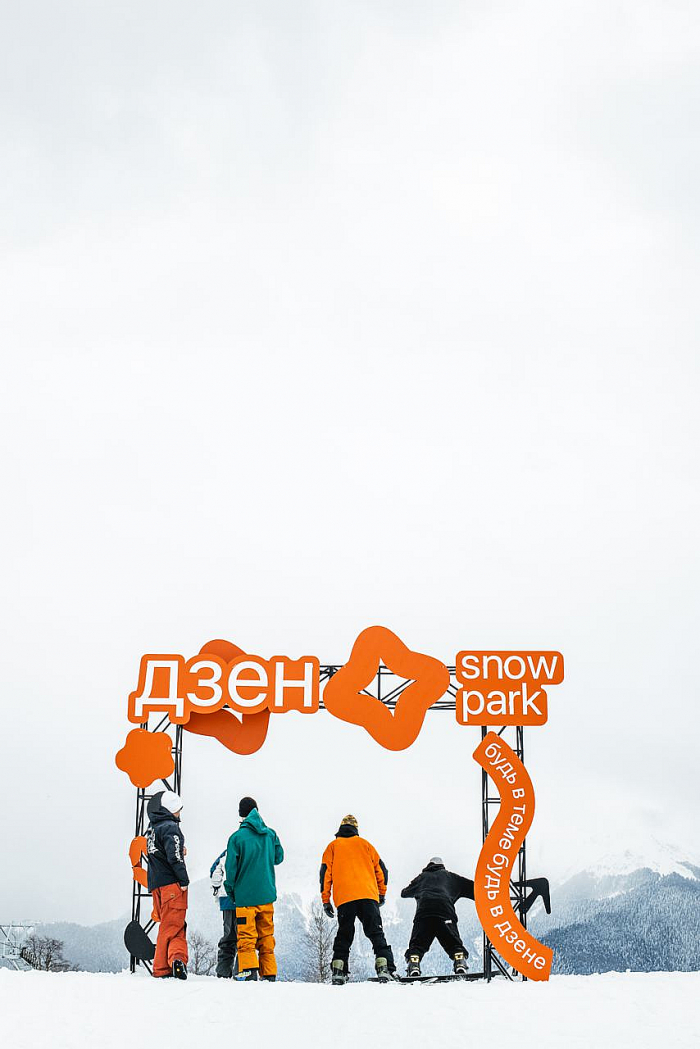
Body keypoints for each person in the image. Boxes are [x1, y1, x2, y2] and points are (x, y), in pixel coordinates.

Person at [320, 814, 396, 984]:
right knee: (376, 932)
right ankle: (384, 968)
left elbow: (325, 874)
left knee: (344, 934)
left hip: (345, 898)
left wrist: (326, 900)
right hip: (368, 895)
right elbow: (382, 871)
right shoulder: (366, 845)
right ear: (356, 829)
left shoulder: (332, 847)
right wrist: (381, 894)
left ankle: (338, 971)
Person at [224, 797, 284, 981]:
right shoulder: (270, 834)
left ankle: (249, 971)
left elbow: (230, 870)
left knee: (246, 936)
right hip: (267, 895)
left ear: (240, 815)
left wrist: (230, 890)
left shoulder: (236, 838)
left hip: (245, 897)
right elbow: (279, 858)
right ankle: (270, 973)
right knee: (266, 936)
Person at [400, 856, 473, 977]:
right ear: (442, 865)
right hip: (445, 912)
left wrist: (417, 889)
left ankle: (414, 965)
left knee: (417, 944)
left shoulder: (422, 877)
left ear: (429, 865)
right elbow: (474, 889)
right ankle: (460, 962)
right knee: (453, 942)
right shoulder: (452, 877)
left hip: (424, 913)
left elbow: (404, 893)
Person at [146, 790, 189, 979]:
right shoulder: (171, 827)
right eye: (178, 809)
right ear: (171, 809)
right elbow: (174, 857)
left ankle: (177, 959)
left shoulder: (152, 829)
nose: (179, 813)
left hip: (157, 884)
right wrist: (184, 880)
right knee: (171, 927)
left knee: (175, 926)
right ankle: (163, 967)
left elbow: (159, 854)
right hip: (172, 885)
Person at [210, 849, 237, 978]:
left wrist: (216, 887)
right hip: (246, 899)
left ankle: (223, 971)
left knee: (229, 936)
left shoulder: (227, 853)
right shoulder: (249, 849)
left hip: (227, 899)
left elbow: (214, 872)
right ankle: (242, 970)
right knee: (245, 937)